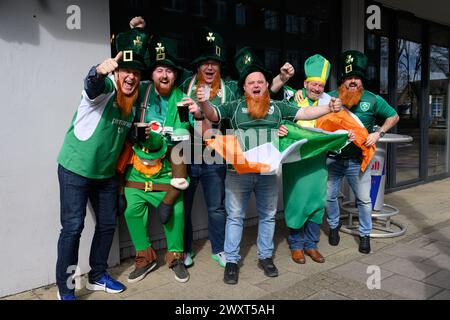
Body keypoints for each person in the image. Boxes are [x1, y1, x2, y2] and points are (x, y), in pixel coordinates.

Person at [195, 47, 342, 285]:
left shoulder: (277, 107)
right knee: (235, 217)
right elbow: (213, 115)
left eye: (260, 82)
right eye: (251, 82)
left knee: (268, 217)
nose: (256, 85)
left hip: (267, 174)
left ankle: (265, 257)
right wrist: (203, 104)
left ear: (266, 86)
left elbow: (305, 112)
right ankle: (232, 261)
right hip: (237, 173)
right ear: (244, 87)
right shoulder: (234, 106)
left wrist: (328, 107)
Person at [55, 27, 148, 300]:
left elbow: (124, 134)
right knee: (73, 228)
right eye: (125, 71)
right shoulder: (108, 87)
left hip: (106, 175)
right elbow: (91, 87)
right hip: (75, 169)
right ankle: (66, 288)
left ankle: (97, 276)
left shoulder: (133, 100)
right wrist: (98, 71)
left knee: (108, 224)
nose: (130, 76)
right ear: (118, 73)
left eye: (136, 72)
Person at [122, 34, 202, 284]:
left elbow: (184, 140)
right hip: (138, 167)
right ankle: (145, 256)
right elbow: (122, 92)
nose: (164, 75)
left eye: (169, 70)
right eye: (159, 70)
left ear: (175, 75)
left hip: (168, 168)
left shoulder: (181, 99)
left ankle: (176, 256)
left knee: (176, 210)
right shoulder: (142, 90)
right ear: (152, 74)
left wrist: (197, 116)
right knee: (132, 212)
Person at [326, 50, 399, 254]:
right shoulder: (331, 98)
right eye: (349, 77)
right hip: (333, 159)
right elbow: (310, 114)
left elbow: (393, 116)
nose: (353, 81)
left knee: (364, 200)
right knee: (329, 197)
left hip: (358, 161)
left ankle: (365, 234)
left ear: (362, 80)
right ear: (343, 80)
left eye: (356, 77)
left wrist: (379, 133)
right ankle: (333, 227)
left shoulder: (372, 99)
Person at [280, 54, 334, 264]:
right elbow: (275, 111)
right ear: (305, 83)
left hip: (317, 162)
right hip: (296, 161)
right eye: (313, 84)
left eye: (320, 86)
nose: (317, 89)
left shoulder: (329, 102)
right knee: (297, 201)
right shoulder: (291, 97)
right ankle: (296, 246)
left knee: (316, 202)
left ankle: (311, 245)